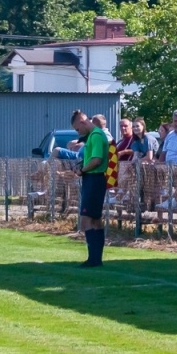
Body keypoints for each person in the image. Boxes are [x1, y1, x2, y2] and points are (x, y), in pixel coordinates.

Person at [72, 111, 111, 268]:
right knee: (94, 219)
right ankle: (95, 258)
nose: (78, 132)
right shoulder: (96, 134)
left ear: (82, 122)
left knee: (87, 218)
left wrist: (82, 170)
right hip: (95, 178)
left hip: (94, 178)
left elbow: (96, 160)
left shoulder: (95, 135)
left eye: (77, 129)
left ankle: (93, 259)